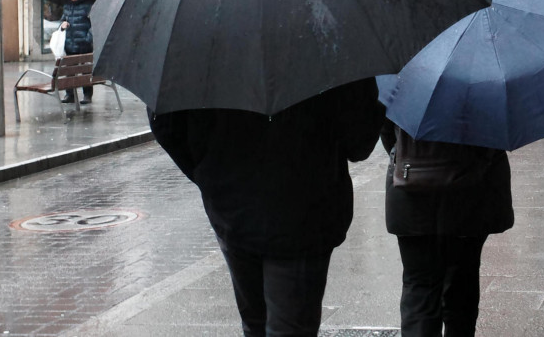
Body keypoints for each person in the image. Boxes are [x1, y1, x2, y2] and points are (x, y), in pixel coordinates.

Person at [148, 79, 385, 337]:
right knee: (288, 327)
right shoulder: (329, 47)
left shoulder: (201, 48)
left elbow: (165, 121)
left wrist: (209, 174)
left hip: (234, 208)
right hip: (304, 212)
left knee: (255, 324)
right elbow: (360, 142)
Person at [380, 121, 513, 336]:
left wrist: (408, 159)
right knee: (462, 280)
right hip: (470, 191)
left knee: (420, 285)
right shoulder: (486, 86)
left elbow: (385, 129)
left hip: (412, 187)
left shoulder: (402, 87)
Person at [59, 0, 93, 104]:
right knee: (69, 70)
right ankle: (70, 94)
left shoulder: (88, 6)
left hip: (84, 44)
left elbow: (94, 24)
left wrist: (88, 38)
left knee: (85, 70)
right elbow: (62, 20)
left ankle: (87, 95)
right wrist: (62, 25)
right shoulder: (67, 6)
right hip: (69, 44)